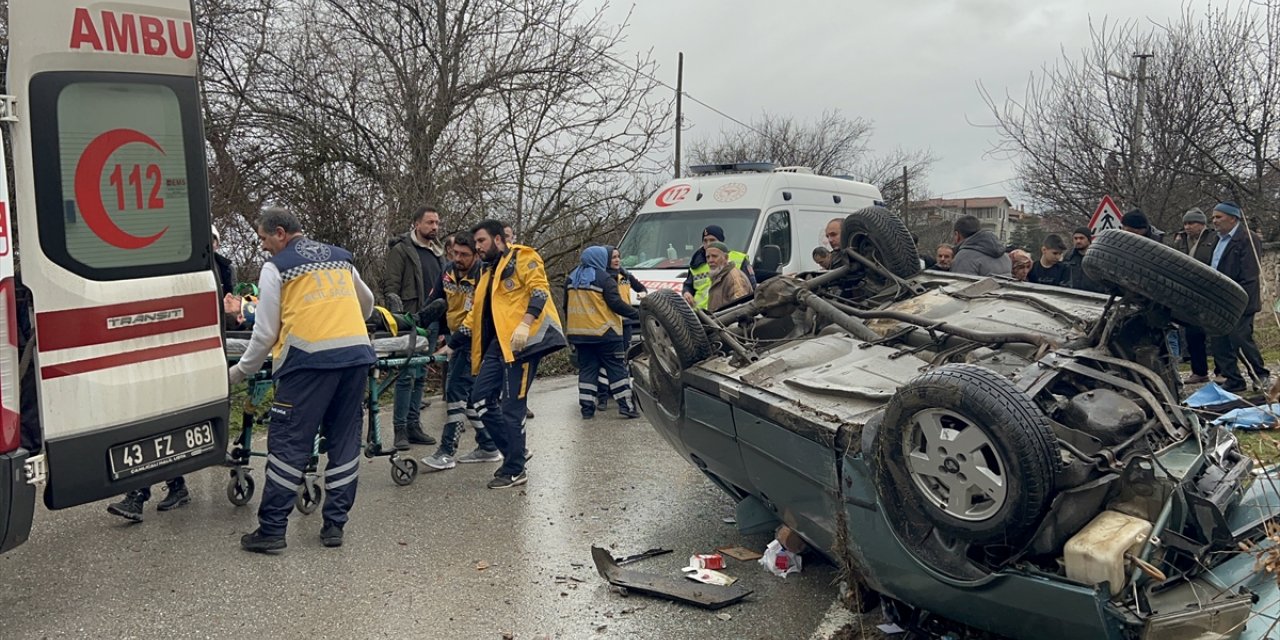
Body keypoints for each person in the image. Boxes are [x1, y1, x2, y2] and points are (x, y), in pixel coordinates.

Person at [230, 207, 376, 552]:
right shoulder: (340, 258)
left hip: (308, 363)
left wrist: (238, 372)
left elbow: (265, 333)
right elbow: (367, 304)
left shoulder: (276, 267)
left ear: (280, 233)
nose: (263, 247)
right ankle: (334, 527)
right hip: (355, 358)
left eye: (265, 239)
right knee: (343, 442)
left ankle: (272, 531)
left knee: (288, 445)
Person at [443, 219, 565, 489]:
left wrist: (526, 322)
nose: (478, 247)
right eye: (475, 243)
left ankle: (514, 468)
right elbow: (476, 313)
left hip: (524, 344)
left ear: (498, 239)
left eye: (481, 241)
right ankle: (515, 454)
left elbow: (539, 290)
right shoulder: (488, 272)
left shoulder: (523, 257)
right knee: (481, 398)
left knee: (512, 407)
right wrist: (453, 343)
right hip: (499, 346)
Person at [421, 232, 501, 471]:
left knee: (456, 391)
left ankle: (447, 451)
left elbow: (475, 317)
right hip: (457, 337)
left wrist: (452, 344)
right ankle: (488, 445)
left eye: (464, 255)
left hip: (476, 341)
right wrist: (419, 325)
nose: (458, 258)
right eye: (455, 253)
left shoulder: (482, 276)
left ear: (476, 255)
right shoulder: (447, 271)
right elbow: (436, 302)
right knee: (467, 398)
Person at [382, 206, 444, 450]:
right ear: (416, 224)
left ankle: (414, 425)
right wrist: (398, 319)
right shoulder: (401, 250)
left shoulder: (438, 252)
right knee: (405, 375)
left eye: (437, 222)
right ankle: (400, 430)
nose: (435, 227)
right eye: (430, 222)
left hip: (432, 320)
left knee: (420, 375)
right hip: (410, 320)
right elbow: (391, 285)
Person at [566, 246, 640, 419]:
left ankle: (587, 410)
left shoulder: (571, 278)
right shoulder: (605, 279)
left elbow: (565, 306)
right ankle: (626, 407)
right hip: (606, 333)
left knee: (587, 372)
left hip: (580, 335)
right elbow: (616, 304)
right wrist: (637, 314)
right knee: (617, 371)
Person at [1209, 202, 1270, 393]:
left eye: (1219, 217)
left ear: (1233, 218)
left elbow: (1250, 275)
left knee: (1240, 338)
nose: (1214, 221)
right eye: (1213, 217)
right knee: (1219, 340)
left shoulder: (1247, 239)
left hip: (1240, 301)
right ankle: (1233, 378)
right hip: (1218, 301)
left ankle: (1260, 375)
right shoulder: (1217, 239)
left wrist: (1237, 300)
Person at [1172, 208, 1218, 384]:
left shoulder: (1213, 239)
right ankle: (1199, 371)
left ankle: (1221, 370)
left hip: (1209, 292)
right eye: (1185, 223)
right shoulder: (1180, 241)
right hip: (1189, 293)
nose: (1188, 226)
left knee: (1215, 334)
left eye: (1191, 223)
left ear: (1202, 224)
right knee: (1192, 334)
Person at [597, 247, 646, 410]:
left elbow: (640, 287)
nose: (617, 260)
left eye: (618, 257)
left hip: (626, 323)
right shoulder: (603, 277)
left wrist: (643, 294)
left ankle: (623, 392)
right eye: (613, 258)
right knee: (608, 360)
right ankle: (603, 396)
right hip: (610, 324)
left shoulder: (625, 275)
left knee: (623, 358)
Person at [682, 225, 754, 310]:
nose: (708, 244)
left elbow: (744, 300)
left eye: (712, 240)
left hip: (722, 318)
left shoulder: (739, 262)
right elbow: (688, 285)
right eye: (705, 241)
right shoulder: (696, 263)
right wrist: (686, 292)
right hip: (701, 315)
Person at [706, 242, 753, 312]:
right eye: (708, 257)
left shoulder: (735, 278)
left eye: (714, 256)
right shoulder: (718, 275)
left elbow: (740, 309)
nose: (710, 260)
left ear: (726, 258)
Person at [1064, 226, 1105, 293]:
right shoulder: (1069, 257)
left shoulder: (1098, 257)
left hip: (1093, 296)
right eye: (1075, 238)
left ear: (1089, 239)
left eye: (1081, 238)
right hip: (1072, 296)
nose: (1078, 241)